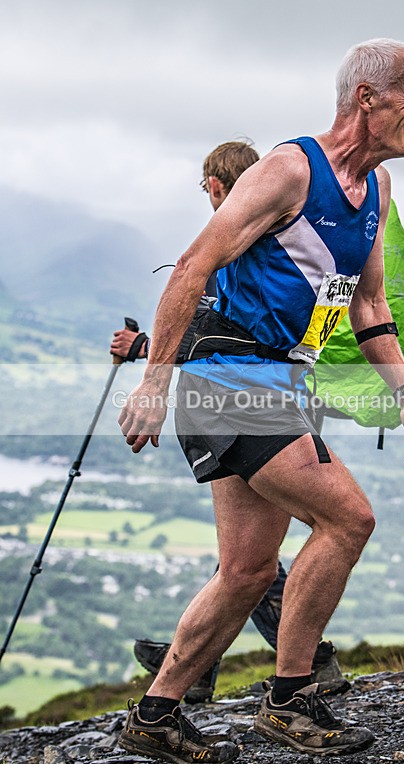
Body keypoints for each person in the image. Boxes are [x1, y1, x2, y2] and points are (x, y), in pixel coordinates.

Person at [118, 38, 404, 764]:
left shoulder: (378, 192)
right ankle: (290, 699)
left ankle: (155, 715)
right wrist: (154, 383)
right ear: (368, 98)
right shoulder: (290, 170)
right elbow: (196, 262)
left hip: (277, 381)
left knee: (247, 570)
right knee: (348, 517)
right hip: (228, 373)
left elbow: (366, 305)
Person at [111, 141, 350, 703]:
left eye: (207, 188)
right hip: (274, 395)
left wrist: (148, 362)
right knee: (246, 561)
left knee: (259, 558)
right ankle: (198, 677)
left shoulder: (237, 247)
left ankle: (304, 664)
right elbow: (286, 332)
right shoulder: (290, 241)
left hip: (243, 400)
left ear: (219, 187)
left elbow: (214, 334)